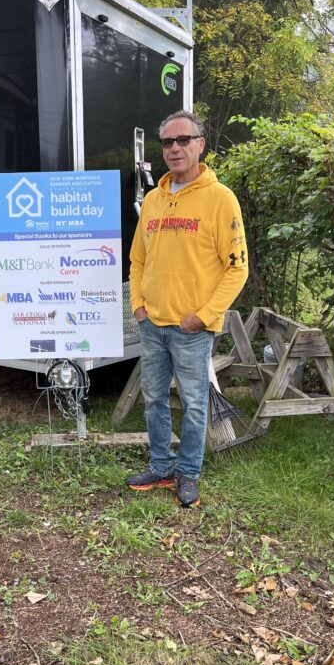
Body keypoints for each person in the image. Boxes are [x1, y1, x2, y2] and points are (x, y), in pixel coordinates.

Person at [127, 110, 248, 507]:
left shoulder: (220, 199)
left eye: (183, 140)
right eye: (167, 142)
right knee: (155, 399)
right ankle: (161, 468)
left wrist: (204, 315)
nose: (175, 148)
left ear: (201, 144)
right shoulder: (154, 200)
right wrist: (138, 305)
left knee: (195, 404)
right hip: (152, 323)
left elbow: (237, 269)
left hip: (192, 328)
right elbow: (138, 260)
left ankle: (188, 473)